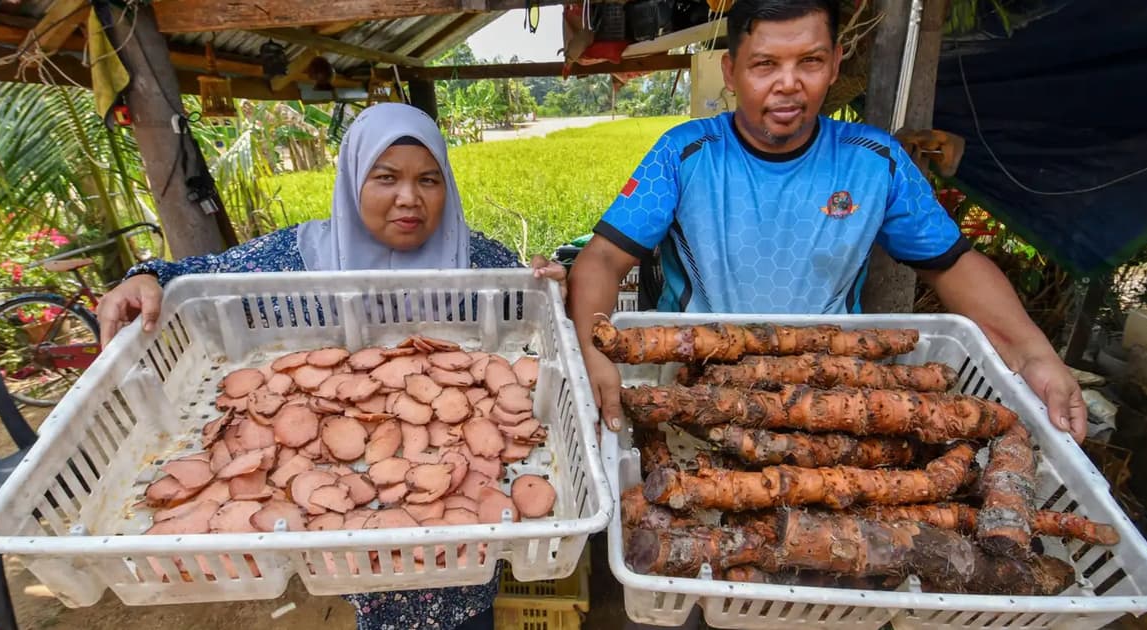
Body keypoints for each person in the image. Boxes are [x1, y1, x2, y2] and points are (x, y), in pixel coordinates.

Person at [96, 102, 565, 630]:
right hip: (352, 530)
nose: (409, 197)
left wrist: (552, 280)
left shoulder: (477, 259)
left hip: (466, 543)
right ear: (352, 179)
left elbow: (535, 305)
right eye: (385, 177)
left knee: (469, 603)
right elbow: (198, 277)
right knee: (374, 590)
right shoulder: (296, 257)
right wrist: (145, 278)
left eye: (428, 180)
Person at [567, 0, 1087, 443]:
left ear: (836, 63)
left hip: (828, 397)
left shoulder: (874, 162)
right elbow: (603, 260)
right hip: (693, 390)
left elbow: (953, 265)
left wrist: (1033, 354)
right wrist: (592, 350)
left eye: (810, 61)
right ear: (730, 71)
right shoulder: (684, 153)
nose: (788, 85)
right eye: (764, 65)